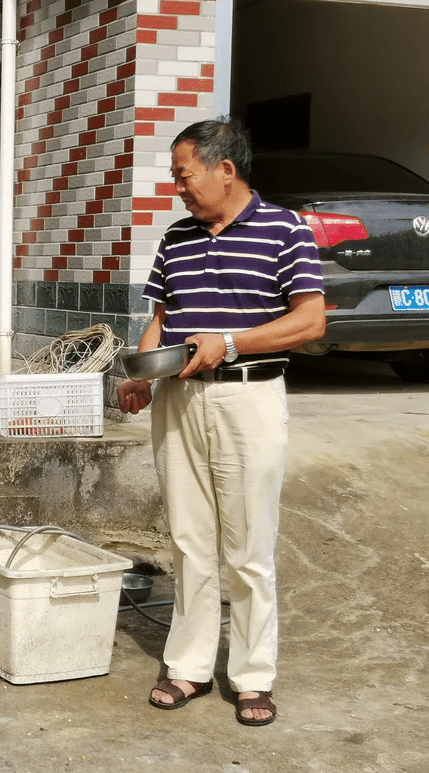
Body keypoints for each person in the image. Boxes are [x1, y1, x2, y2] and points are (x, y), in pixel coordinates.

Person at [117, 117, 326, 726]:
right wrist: (139, 374)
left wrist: (231, 343)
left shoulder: (285, 230)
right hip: (180, 401)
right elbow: (162, 317)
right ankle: (188, 668)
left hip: (248, 399)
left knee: (248, 547)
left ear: (224, 169)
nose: (178, 189)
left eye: (185, 176)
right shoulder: (178, 237)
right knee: (188, 541)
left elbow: (310, 321)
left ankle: (254, 676)